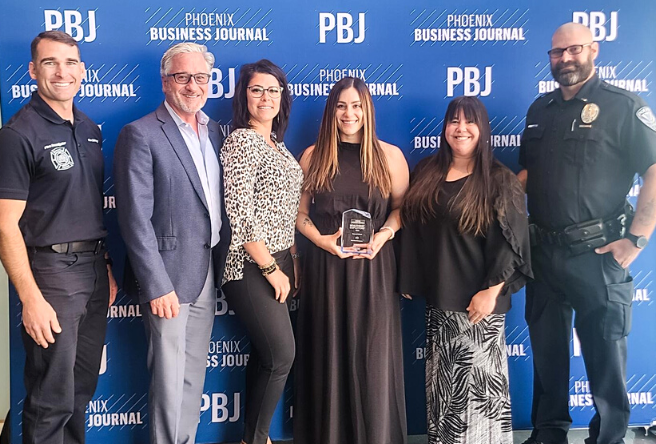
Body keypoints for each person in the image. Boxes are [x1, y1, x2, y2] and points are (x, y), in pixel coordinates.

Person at [518, 23, 656, 444]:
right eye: (557, 53)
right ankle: (548, 434)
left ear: (593, 50)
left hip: (598, 253)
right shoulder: (539, 110)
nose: (565, 59)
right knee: (547, 356)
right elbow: (523, 177)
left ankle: (609, 437)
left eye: (573, 50)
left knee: (605, 356)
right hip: (543, 251)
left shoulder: (623, 106)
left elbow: (654, 169)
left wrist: (637, 238)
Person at [0, 31, 117, 444]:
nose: (61, 72)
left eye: (70, 63)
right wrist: (31, 298)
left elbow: (84, 206)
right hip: (51, 275)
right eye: (50, 63)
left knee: (79, 392)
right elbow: (4, 225)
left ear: (82, 70)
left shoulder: (88, 127)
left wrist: (104, 267)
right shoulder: (18, 133)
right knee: (51, 398)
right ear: (33, 70)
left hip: (94, 272)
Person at [113, 42, 230, 444]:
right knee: (167, 376)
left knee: (193, 371)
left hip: (205, 269)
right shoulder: (141, 133)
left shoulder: (215, 130)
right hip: (167, 275)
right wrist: (157, 283)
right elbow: (134, 218)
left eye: (200, 78)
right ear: (165, 83)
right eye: (182, 77)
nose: (192, 85)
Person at [398, 96, 532, 444]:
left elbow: (513, 243)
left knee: (479, 399)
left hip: (478, 310)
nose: (461, 128)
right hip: (440, 305)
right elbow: (413, 226)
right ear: (445, 129)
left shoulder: (500, 180)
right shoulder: (427, 171)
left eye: (469, 121)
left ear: (482, 129)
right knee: (445, 393)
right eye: (453, 121)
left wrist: (492, 291)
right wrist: (408, 277)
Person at [293, 76, 409, 444]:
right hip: (325, 270)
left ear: (368, 110)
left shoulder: (389, 156)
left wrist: (383, 236)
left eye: (357, 105)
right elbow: (299, 213)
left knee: (372, 360)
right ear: (332, 111)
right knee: (327, 356)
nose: (349, 113)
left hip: (374, 270)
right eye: (342, 105)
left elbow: (400, 210)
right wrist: (320, 242)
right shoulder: (313, 156)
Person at [220, 59, 302, 444]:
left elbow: (286, 211)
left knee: (267, 355)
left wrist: (291, 261)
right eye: (257, 89)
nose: (265, 96)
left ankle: (253, 437)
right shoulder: (241, 141)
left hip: (281, 260)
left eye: (273, 89)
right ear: (244, 96)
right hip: (249, 264)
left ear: (283, 97)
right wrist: (271, 267)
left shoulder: (279, 146)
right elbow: (239, 212)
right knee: (282, 355)